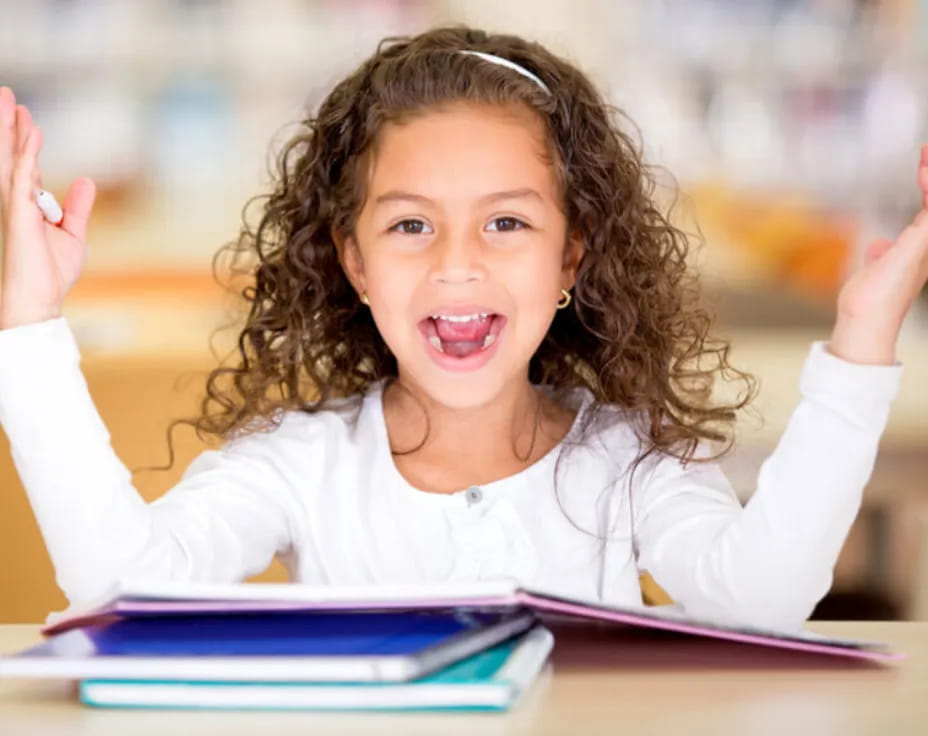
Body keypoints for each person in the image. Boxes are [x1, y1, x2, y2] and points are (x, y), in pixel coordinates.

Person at [0, 26, 923, 630]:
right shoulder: (298, 464)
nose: (456, 264)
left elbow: (763, 601)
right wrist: (31, 320)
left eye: (506, 222)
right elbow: (119, 588)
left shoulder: (628, 462)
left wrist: (864, 335)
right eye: (411, 225)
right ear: (354, 262)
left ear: (571, 259)